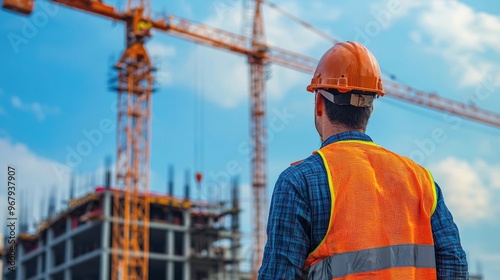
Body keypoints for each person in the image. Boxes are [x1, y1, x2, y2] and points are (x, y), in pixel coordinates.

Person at [258, 41, 468, 279]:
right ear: (370, 108)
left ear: (319, 104)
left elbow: (279, 274)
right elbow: (454, 264)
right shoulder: (420, 180)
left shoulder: (299, 182)